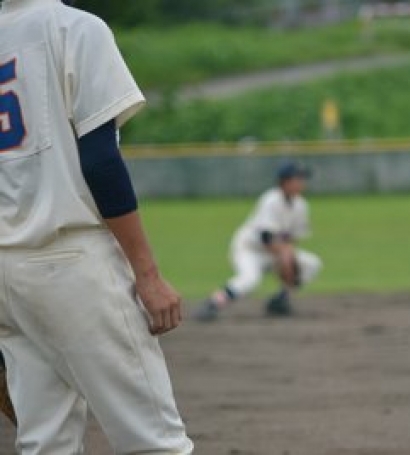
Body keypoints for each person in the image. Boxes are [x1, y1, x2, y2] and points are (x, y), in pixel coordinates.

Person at [0, 1, 193, 453]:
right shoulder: (76, 28)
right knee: (154, 442)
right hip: (71, 262)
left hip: (8, 274)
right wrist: (147, 275)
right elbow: (101, 160)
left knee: (45, 443)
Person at [194, 161, 323, 321]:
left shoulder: (301, 205)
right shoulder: (271, 200)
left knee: (311, 264)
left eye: (303, 179)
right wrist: (285, 257)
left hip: (274, 251)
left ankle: (280, 300)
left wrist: (288, 258)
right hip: (249, 249)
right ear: (285, 181)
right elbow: (266, 237)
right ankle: (213, 303)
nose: (302, 183)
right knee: (249, 279)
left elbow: (292, 238)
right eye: (298, 178)